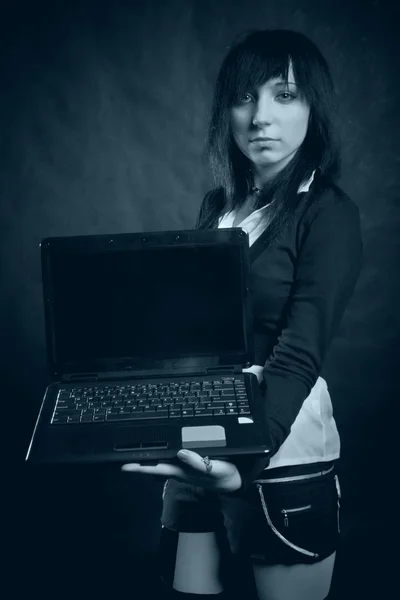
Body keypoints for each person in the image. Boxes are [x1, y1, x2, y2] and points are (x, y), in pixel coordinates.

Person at [122, 29, 363, 600]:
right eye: (244, 97)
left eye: (284, 95)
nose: (260, 117)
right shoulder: (219, 206)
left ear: (313, 108)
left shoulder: (329, 215)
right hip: (196, 440)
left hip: (279, 449)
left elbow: (298, 355)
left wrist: (244, 463)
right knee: (188, 589)